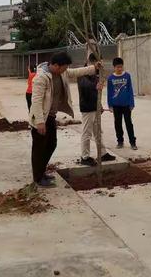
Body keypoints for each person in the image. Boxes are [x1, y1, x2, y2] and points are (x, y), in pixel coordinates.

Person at [30, 51, 101, 187]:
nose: (66, 70)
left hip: (50, 116)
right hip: (40, 118)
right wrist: (39, 122)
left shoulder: (61, 72)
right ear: (56, 66)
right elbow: (36, 101)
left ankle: (41, 172)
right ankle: (38, 178)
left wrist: (94, 68)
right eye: (64, 67)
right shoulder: (41, 78)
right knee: (39, 148)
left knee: (51, 144)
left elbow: (76, 72)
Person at [77, 53, 116, 166]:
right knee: (87, 133)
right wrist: (96, 86)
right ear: (93, 62)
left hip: (95, 107)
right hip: (87, 108)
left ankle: (103, 154)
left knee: (98, 132)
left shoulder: (95, 72)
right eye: (99, 63)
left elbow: (96, 91)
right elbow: (85, 86)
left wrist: (100, 106)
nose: (101, 65)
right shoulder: (83, 71)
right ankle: (85, 156)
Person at [107, 57, 137, 150]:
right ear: (114, 67)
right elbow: (109, 92)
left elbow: (130, 90)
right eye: (117, 67)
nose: (119, 69)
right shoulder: (110, 78)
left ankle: (133, 142)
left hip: (126, 105)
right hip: (116, 105)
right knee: (118, 124)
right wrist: (110, 105)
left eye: (121, 67)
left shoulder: (127, 76)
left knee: (129, 123)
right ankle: (120, 141)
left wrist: (132, 103)